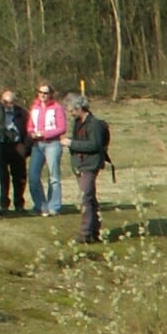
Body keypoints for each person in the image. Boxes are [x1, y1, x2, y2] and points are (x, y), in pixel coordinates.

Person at [63, 92, 110, 245]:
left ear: (79, 108)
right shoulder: (78, 123)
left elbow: (94, 145)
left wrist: (71, 143)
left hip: (90, 165)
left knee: (85, 198)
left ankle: (85, 233)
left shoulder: (94, 124)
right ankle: (94, 232)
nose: (70, 114)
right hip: (81, 165)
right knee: (90, 199)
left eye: (71, 110)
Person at [27, 81, 66, 215]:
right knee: (33, 176)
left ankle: (53, 206)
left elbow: (62, 128)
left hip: (53, 144)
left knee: (53, 176)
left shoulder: (57, 108)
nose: (43, 95)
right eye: (40, 92)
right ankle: (40, 205)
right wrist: (32, 133)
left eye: (46, 93)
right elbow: (30, 126)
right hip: (37, 145)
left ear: (50, 94)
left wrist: (44, 134)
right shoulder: (35, 107)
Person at [0, 88, 29, 215]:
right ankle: (4, 204)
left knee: (19, 177)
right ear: (1, 101)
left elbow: (28, 130)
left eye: (11, 102)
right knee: (2, 177)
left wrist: (26, 147)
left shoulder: (22, 113)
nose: (9, 105)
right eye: (5, 102)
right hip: (2, 145)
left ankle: (19, 204)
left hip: (18, 146)